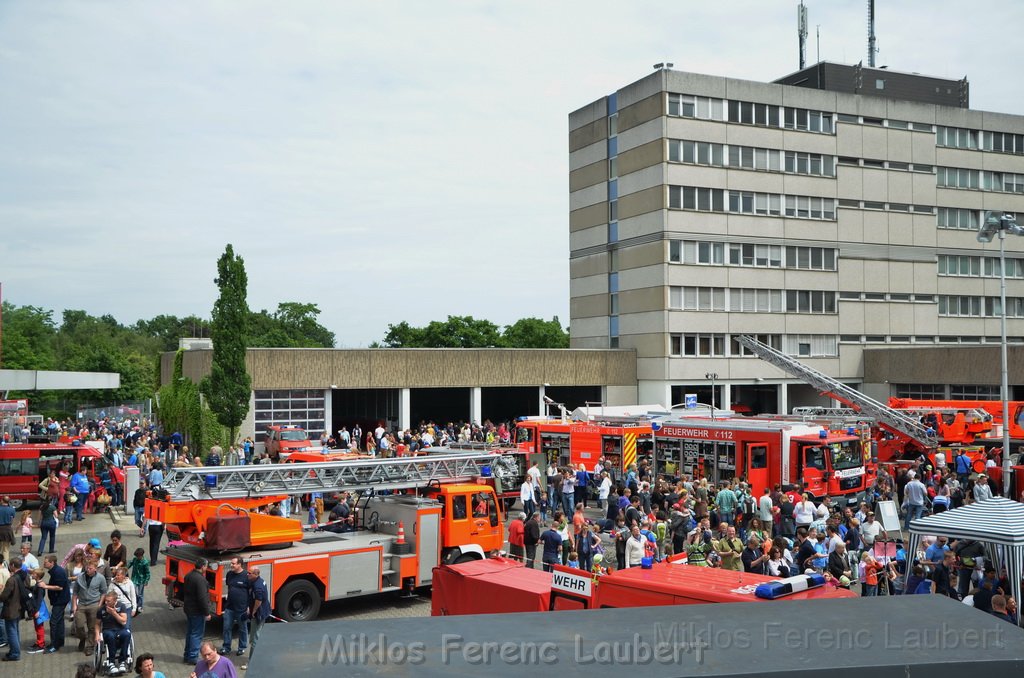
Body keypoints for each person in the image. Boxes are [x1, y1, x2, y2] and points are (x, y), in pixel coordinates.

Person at [72, 559, 107, 657]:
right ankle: (82, 638)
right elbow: (75, 592)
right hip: (82, 604)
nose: (88, 569)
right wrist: (74, 605)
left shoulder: (101, 578)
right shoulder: (80, 577)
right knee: (78, 625)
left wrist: (100, 604)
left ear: (95, 569)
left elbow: (104, 592)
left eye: (90, 568)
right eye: (87, 567)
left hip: (94, 604)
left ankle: (90, 646)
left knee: (92, 627)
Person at [38, 554, 71, 653]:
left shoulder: (58, 572)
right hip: (59, 599)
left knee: (54, 622)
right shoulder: (55, 571)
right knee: (60, 621)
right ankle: (60, 641)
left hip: (60, 600)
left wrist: (45, 586)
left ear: (52, 563)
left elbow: (59, 587)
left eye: (46, 562)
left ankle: (54, 645)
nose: (44, 563)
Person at [182, 558, 211, 665]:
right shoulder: (200, 580)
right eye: (206, 566)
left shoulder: (189, 575)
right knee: (196, 634)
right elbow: (202, 598)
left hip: (189, 609)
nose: (206, 568)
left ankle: (187, 655)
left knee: (190, 633)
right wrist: (207, 612)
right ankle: (193, 657)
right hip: (197, 611)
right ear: (203, 566)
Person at [95, 590, 130, 675]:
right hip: (107, 630)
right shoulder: (101, 609)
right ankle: (111, 662)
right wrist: (97, 635)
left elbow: (123, 621)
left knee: (127, 634)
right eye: (105, 600)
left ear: (115, 600)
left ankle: (122, 661)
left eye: (108, 601)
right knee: (110, 636)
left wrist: (114, 613)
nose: (106, 602)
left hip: (120, 629)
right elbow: (97, 624)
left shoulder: (121, 606)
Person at [221, 557, 249, 657]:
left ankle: (242, 648)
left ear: (240, 564)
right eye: (231, 563)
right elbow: (229, 586)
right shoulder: (229, 574)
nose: (231, 565)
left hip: (241, 608)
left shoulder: (246, 576)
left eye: (233, 564)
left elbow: (250, 592)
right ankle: (226, 647)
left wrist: (248, 606)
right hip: (229, 607)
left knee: (242, 628)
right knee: (226, 627)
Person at [243, 566, 269, 672]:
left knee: (255, 639)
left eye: (249, 573)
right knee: (254, 637)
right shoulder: (258, 581)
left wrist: (253, 611)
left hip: (259, 614)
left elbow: (258, 601)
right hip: (260, 612)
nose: (247, 575)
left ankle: (252, 662)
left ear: (256, 574)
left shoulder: (258, 586)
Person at [0, 556, 24, 662]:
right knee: (16, 630)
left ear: (13, 566)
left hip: (11, 609)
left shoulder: (12, 580)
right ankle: (15, 650)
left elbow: (4, 596)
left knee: (11, 632)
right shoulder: (23, 576)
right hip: (19, 608)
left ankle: (14, 653)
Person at [126, 548, 150, 615]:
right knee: (133, 592)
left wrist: (146, 580)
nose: (137, 557)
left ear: (141, 555)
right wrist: (125, 569)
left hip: (141, 580)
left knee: (140, 594)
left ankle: (140, 606)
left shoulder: (145, 562)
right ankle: (134, 604)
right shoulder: (135, 559)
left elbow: (147, 573)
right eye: (136, 556)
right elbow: (130, 564)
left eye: (138, 556)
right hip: (134, 579)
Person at [0, 497, 15, 565]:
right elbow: (12, 520)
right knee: (6, 549)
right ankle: (6, 564)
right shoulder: (12, 509)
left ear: (2, 501)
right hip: (7, 529)